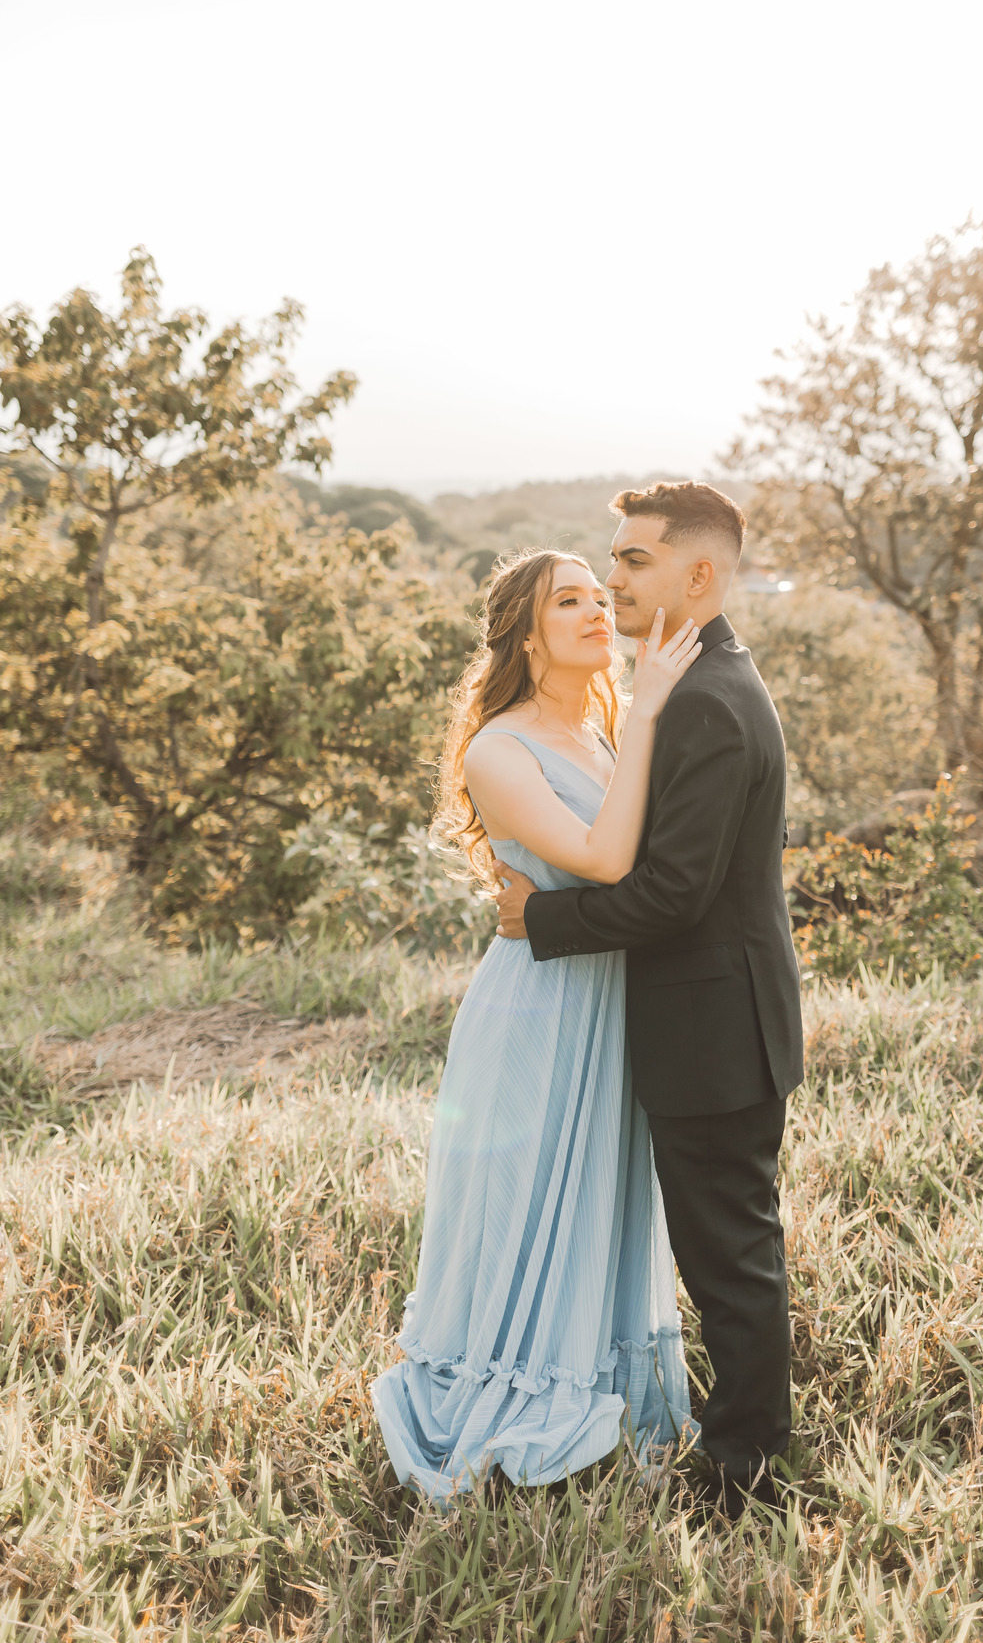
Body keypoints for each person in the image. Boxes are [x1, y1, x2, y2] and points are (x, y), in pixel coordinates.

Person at [493, 481, 804, 1514]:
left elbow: (673, 893)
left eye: (633, 561)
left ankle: (746, 1470)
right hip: (711, 1020)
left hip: (714, 1029)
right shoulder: (696, 680)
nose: (613, 580)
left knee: (730, 1258)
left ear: (697, 574)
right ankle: (738, 1440)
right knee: (730, 1247)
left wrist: (542, 918)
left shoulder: (707, 699)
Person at [372, 547, 703, 1501]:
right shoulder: (499, 748)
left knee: (600, 1193)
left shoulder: (600, 732)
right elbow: (605, 861)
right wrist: (651, 708)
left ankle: (598, 1383)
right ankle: (509, 1390)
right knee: (524, 1201)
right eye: (570, 602)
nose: (598, 611)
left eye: (601, 596)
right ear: (525, 634)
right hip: (540, 1005)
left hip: (616, 1002)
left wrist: (637, 719)